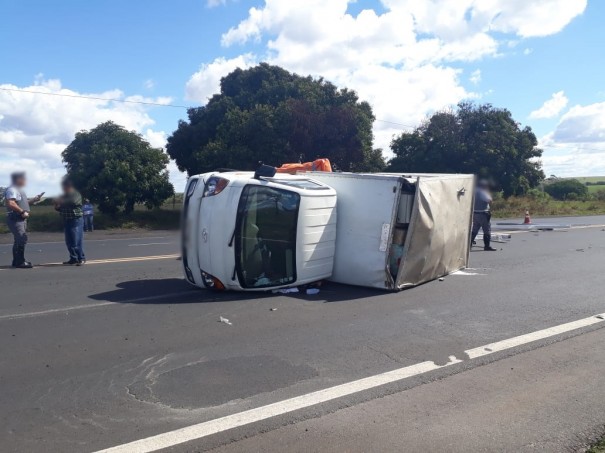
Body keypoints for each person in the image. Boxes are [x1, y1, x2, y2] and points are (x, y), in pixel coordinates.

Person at [4, 172, 43, 268]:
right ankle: (20, 262)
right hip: (16, 217)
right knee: (21, 239)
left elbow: (21, 203)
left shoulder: (18, 190)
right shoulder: (12, 189)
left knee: (19, 240)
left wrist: (34, 200)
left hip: (19, 217)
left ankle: (17, 261)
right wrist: (22, 212)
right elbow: (11, 203)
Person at [54, 178, 86, 265]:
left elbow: (74, 202)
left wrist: (61, 201)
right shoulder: (64, 196)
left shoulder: (75, 194)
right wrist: (57, 205)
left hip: (76, 219)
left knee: (76, 239)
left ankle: (81, 258)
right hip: (66, 219)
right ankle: (73, 258)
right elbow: (60, 207)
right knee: (69, 241)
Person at [471, 179, 497, 252]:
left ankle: (469, 245)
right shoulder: (483, 192)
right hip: (483, 213)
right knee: (487, 230)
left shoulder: (474, 191)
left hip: (475, 213)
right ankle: (487, 246)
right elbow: (489, 200)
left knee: (474, 230)